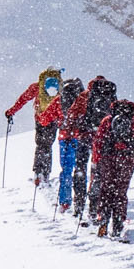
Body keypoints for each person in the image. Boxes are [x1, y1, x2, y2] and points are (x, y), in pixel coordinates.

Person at [89, 97, 134, 239]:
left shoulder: (107, 121)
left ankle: (103, 220)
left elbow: (97, 142)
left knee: (106, 189)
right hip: (127, 159)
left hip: (108, 158)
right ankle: (118, 225)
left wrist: (96, 160)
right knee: (121, 191)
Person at [3, 67, 66, 186]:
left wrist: (11, 111)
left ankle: (38, 172)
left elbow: (23, 99)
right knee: (48, 145)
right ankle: (45, 173)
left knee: (40, 144)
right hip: (53, 120)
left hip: (40, 118)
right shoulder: (61, 88)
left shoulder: (37, 86)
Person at [69, 75, 119, 223]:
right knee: (97, 172)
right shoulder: (111, 95)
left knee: (80, 168)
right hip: (102, 138)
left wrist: (74, 128)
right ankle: (94, 208)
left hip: (84, 135)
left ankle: (78, 204)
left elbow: (72, 114)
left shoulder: (84, 95)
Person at [52, 76, 88, 211]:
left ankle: (65, 201)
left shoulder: (59, 99)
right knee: (80, 169)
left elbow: (47, 117)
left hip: (64, 137)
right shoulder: (84, 99)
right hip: (80, 137)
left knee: (66, 169)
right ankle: (80, 201)